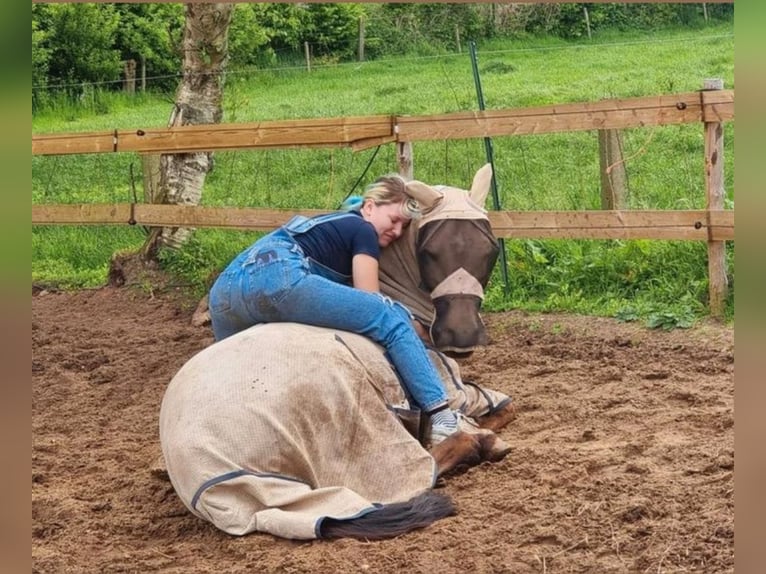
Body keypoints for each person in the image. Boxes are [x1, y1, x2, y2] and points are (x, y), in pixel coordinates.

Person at [208, 174, 460, 444]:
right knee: (390, 317)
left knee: (242, 373)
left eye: (403, 226)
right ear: (369, 207)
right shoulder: (362, 229)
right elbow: (369, 296)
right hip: (278, 275)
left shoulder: (329, 225)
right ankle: (442, 416)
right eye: (394, 220)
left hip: (224, 293)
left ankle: (219, 432)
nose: (397, 231)